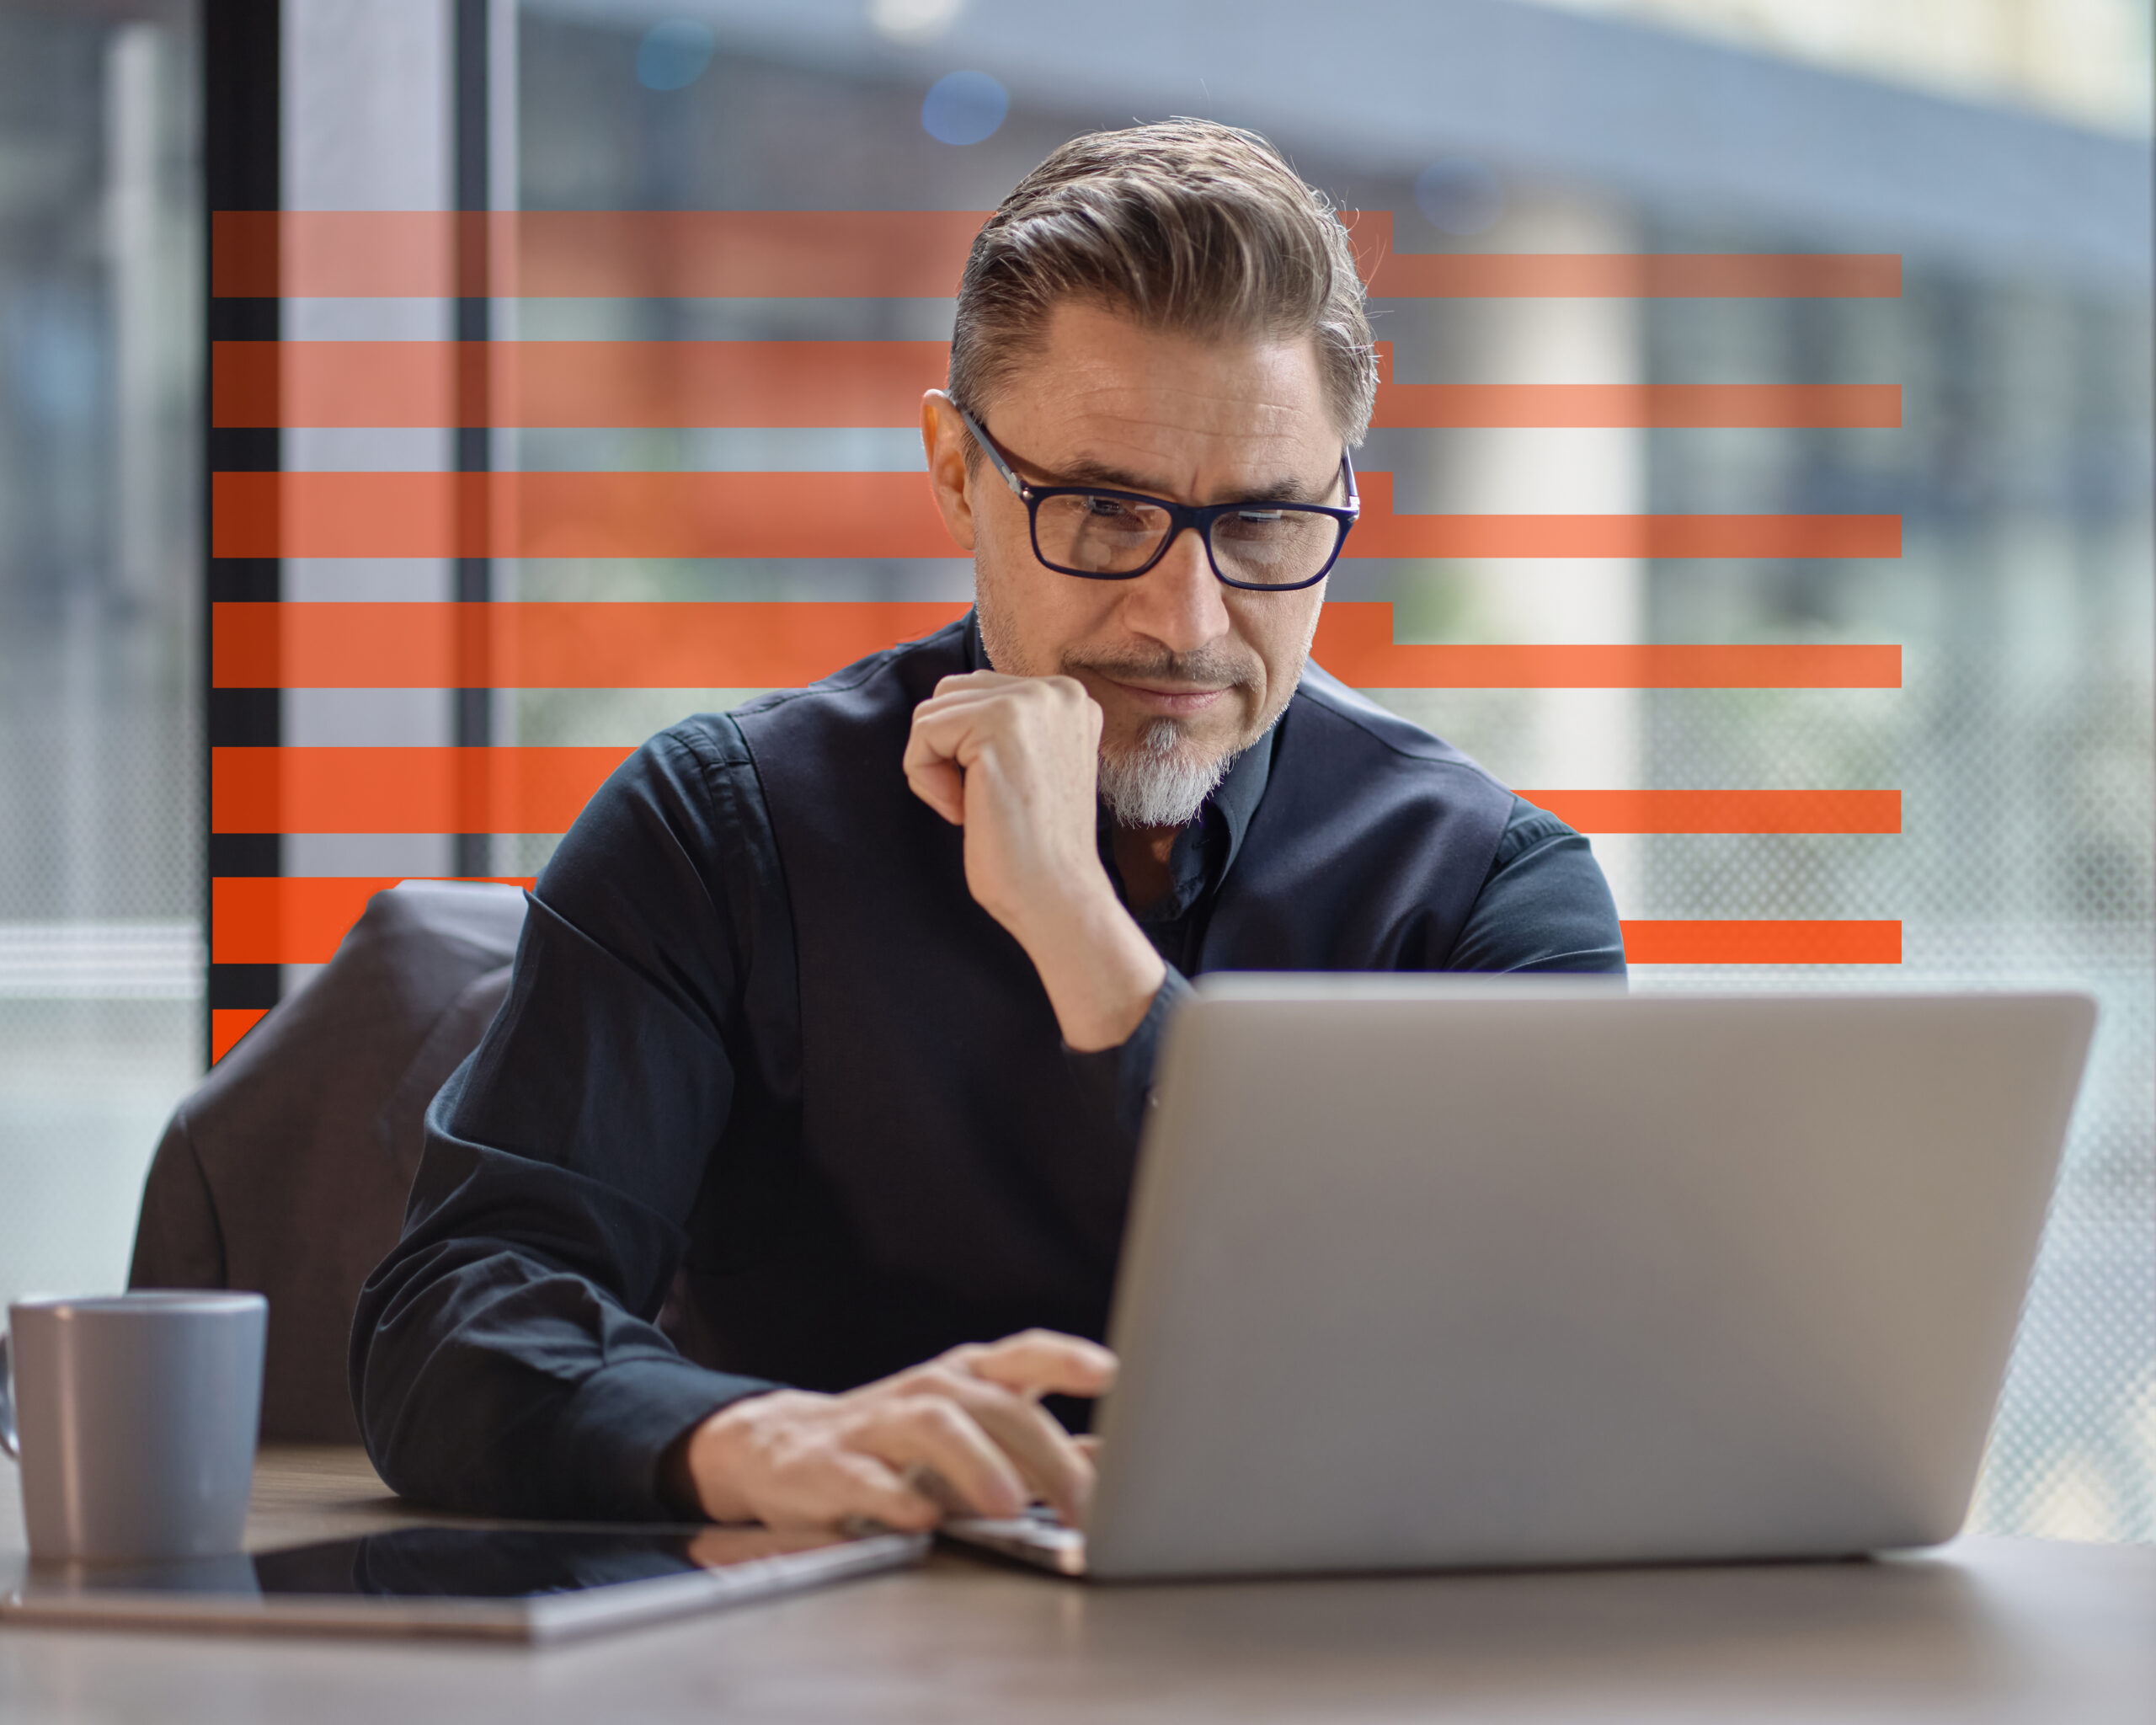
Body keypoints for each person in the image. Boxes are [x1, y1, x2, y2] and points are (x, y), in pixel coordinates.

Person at [350, 119, 1625, 1532]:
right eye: (1099, 509)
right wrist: (757, 1441)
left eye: (1264, 526)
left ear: (1343, 502)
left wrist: (1082, 933)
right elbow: (454, 1321)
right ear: (957, 472)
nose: (1185, 620)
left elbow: (1537, 1370)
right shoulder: (719, 832)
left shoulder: (1492, 893)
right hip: (826, 1654)